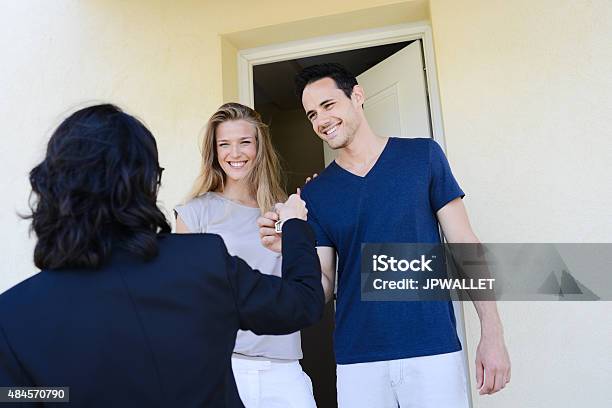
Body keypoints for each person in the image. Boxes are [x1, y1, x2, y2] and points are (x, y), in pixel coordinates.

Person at [0, 104, 324, 407]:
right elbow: (304, 301)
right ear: (145, 184)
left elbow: (28, 395)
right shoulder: (204, 262)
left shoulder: (13, 318)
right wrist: (295, 226)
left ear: (50, 186)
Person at [258, 63, 511, 407]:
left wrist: (492, 333)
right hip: (358, 360)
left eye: (329, 105)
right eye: (312, 114)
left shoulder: (423, 157)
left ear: (357, 96)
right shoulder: (316, 195)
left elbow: (465, 245)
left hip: (431, 349)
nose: (321, 120)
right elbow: (325, 285)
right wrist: (293, 249)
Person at [175, 102, 318, 408]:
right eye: (224, 144)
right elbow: (185, 299)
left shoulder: (285, 210)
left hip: (283, 366)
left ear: (259, 146)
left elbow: (309, 285)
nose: (235, 153)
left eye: (244, 142)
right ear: (214, 152)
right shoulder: (194, 213)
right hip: (224, 367)